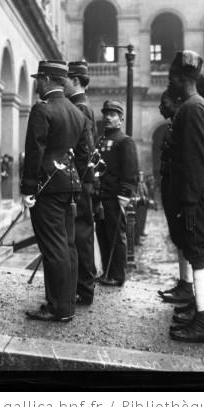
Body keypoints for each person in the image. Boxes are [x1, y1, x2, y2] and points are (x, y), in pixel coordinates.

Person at [21, 60, 90, 322]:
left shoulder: (42, 110)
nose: (36, 83)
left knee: (53, 248)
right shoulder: (77, 112)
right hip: (69, 186)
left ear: (48, 80)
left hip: (46, 189)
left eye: (39, 78)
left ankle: (58, 307)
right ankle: (66, 304)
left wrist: (28, 189)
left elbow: (35, 152)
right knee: (68, 245)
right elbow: (83, 155)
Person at [166, 51, 204, 344]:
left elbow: (197, 159)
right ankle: (199, 311)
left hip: (195, 194)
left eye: (172, 78)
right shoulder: (191, 106)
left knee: (199, 252)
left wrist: (188, 201)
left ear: (184, 79)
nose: (169, 83)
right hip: (192, 193)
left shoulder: (194, 108)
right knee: (195, 249)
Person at [94, 100, 138, 288]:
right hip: (101, 195)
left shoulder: (124, 141)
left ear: (120, 118)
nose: (107, 117)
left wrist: (124, 193)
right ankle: (107, 270)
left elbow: (130, 171)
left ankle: (118, 274)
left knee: (116, 235)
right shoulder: (101, 140)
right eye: (106, 114)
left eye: (112, 114)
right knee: (103, 233)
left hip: (114, 196)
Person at [155, 88, 194, 303]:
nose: (161, 107)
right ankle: (184, 282)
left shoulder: (184, 125)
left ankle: (189, 287)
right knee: (178, 239)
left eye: (164, 103)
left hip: (182, 188)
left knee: (187, 241)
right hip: (172, 186)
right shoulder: (174, 125)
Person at [65, 60, 97, 305]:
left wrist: (77, 181)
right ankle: (81, 285)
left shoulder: (81, 107)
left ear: (75, 81)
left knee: (82, 235)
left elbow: (84, 151)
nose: (63, 83)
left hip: (80, 182)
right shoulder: (80, 105)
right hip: (82, 181)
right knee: (79, 234)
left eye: (66, 79)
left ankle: (84, 288)